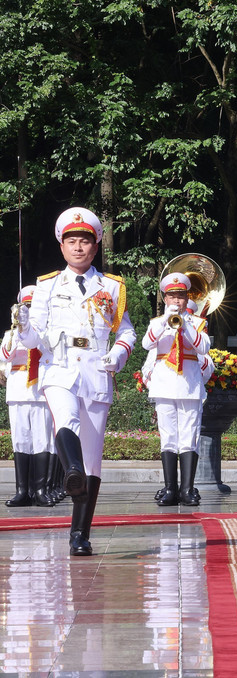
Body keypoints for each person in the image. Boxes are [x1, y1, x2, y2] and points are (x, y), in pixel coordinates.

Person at [17, 207, 136, 556]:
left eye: (85, 241)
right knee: (64, 420)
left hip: (96, 372)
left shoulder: (111, 287)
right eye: (72, 241)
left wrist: (118, 355)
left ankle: (80, 534)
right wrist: (23, 325)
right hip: (60, 368)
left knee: (93, 460)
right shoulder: (46, 285)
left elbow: (125, 329)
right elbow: (34, 339)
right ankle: (71, 470)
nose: (78, 247)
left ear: (96, 246)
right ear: (62, 246)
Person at [142, 272, 211, 507]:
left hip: (189, 386)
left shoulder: (198, 323)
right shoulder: (156, 323)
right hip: (164, 385)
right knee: (168, 437)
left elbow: (204, 348)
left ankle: (188, 489)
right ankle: (170, 488)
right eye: (172, 296)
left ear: (186, 298)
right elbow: (146, 343)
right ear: (164, 298)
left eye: (181, 296)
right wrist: (165, 321)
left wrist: (186, 326)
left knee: (189, 436)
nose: (176, 301)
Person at [2, 286, 56, 507]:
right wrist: (17, 331)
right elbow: (5, 355)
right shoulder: (10, 334)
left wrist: (30, 331)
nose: (29, 311)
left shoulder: (48, 332)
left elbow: (49, 351)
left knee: (42, 440)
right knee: (21, 441)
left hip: (41, 391)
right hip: (18, 390)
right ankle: (22, 491)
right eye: (25, 307)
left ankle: (41, 490)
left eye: (32, 307)